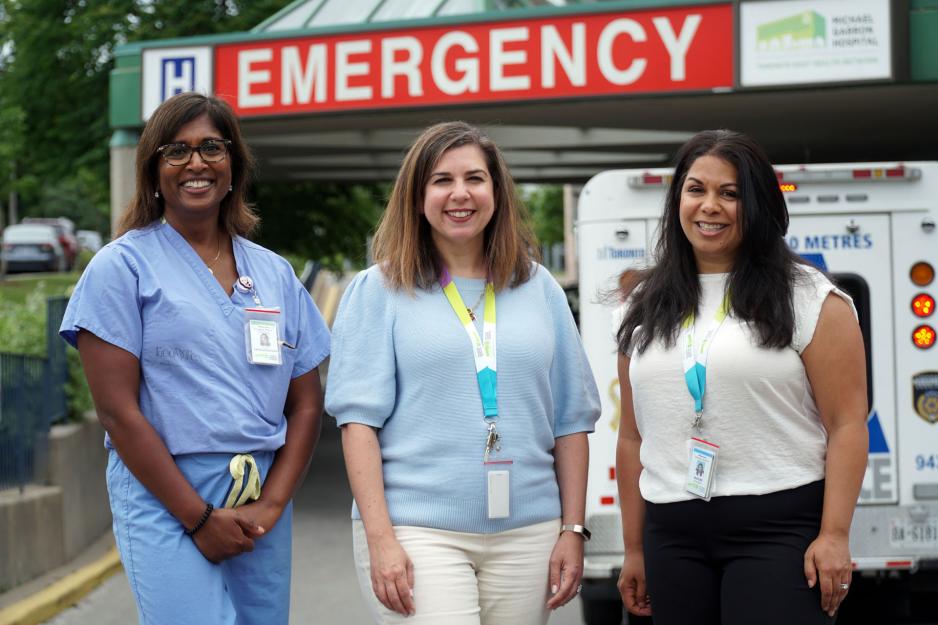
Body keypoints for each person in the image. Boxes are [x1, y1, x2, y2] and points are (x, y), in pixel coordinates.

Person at [60, 92, 330, 625]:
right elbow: (118, 412)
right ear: (153, 170)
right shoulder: (122, 268)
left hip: (260, 493)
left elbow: (305, 404)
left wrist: (272, 504)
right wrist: (198, 516)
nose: (196, 163)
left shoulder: (274, 274)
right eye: (176, 151)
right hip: (165, 494)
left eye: (211, 146)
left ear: (234, 164)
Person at [325, 121, 601, 625]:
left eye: (474, 178)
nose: (460, 194)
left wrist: (572, 528)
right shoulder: (379, 290)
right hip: (418, 530)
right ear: (417, 196)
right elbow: (358, 423)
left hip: (530, 529)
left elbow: (571, 419)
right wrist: (380, 537)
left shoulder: (540, 289)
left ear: (496, 191)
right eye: (441, 180)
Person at [614, 129, 868, 625]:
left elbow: (847, 424)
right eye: (696, 189)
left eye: (730, 193)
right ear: (677, 201)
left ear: (757, 205)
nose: (710, 206)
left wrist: (835, 535)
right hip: (671, 535)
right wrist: (634, 548)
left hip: (778, 531)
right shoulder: (643, 304)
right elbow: (631, 436)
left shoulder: (811, 297)